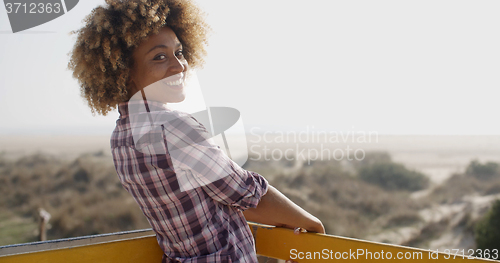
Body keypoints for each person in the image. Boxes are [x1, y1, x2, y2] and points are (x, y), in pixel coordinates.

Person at [68, 0, 325, 262]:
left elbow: (212, 200)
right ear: (125, 71)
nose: (179, 67)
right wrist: (311, 223)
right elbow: (245, 194)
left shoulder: (120, 137)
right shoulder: (173, 128)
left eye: (179, 53)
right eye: (159, 57)